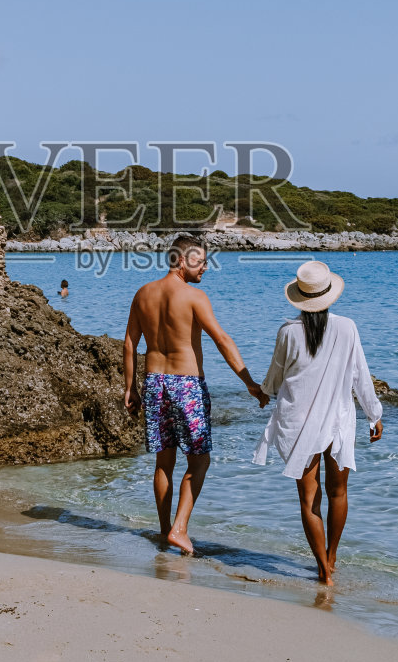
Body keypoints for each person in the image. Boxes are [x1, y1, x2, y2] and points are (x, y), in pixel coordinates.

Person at [124, 233, 268, 555]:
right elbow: (222, 340)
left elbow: (130, 343)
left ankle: (165, 531)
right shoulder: (194, 297)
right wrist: (249, 382)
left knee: (164, 462)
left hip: (154, 383)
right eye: (200, 261)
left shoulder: (143, 294)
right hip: (186, 385)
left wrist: (129, 387)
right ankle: (179, 529)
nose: (205, 267)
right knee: (200, 460)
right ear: (181, 260)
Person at [253, 260, 382, 584]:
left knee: (309, 499)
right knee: (338, 493)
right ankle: (332, 556)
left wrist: (263, 392)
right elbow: (360, 375)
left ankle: (323, 570)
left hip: (299, 424)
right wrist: (374, 414)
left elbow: (275, 377)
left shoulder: (288, 332)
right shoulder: (347, 327)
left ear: (300, 297)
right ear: (329, 294)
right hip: (338, 420)